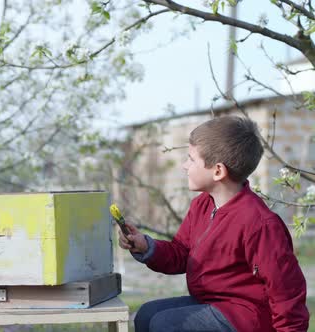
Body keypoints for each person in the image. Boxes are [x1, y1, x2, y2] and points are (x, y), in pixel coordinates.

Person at [118, 116, 309, 332]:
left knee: (166, 325)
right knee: (146, 315)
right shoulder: (202, 205)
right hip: (212, 302)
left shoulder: (259, 223)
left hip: (247, 316)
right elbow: (182, 254)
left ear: (218, 171)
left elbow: (286, 291)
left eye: (191, 159)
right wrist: (146, 246)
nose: (184, 166)